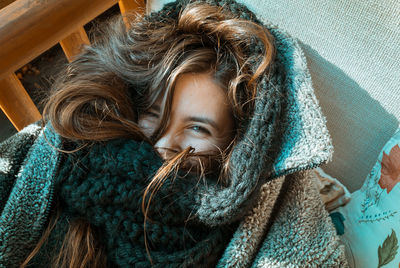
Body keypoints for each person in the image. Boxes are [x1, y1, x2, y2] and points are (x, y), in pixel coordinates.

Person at [0, 0, 349, 267]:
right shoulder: (77, 159)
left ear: (236, 143)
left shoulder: (253, 209)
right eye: (154, 114)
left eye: (198, 127)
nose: (164, 143)